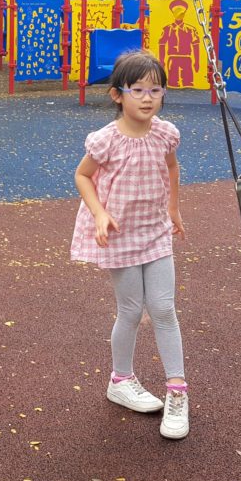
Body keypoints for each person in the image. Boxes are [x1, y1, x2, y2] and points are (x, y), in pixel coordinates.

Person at [70, 51, 190, 439]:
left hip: (154, 231)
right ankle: (121, 380)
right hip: (120, 234)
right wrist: (99, 214)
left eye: (156, 89)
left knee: (164, 309)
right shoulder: (106, 140)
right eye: (137, 90)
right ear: (117, 95)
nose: (147, 98)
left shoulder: (166, 133)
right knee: (131, 309)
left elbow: (170, 167)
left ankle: (177, 390)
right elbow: (83, 176)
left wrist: (173, 209)